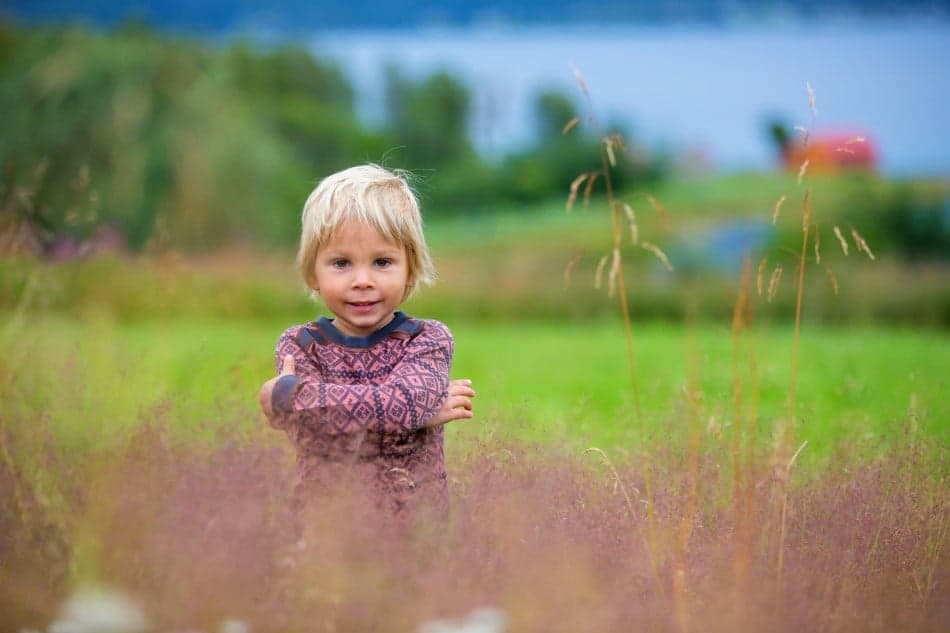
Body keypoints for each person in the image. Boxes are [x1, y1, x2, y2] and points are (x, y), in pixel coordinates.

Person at [258, 164, 475, 525]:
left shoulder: (427, 339)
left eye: (382, 262)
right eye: (341, 263)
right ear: (314, 273)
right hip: (327, 527)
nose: (362, 280)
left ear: (411, 269)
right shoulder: (300, 344)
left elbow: (402, 404)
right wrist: (418, 418)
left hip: (415, 532)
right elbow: (314, 441)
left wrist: (292, 397)